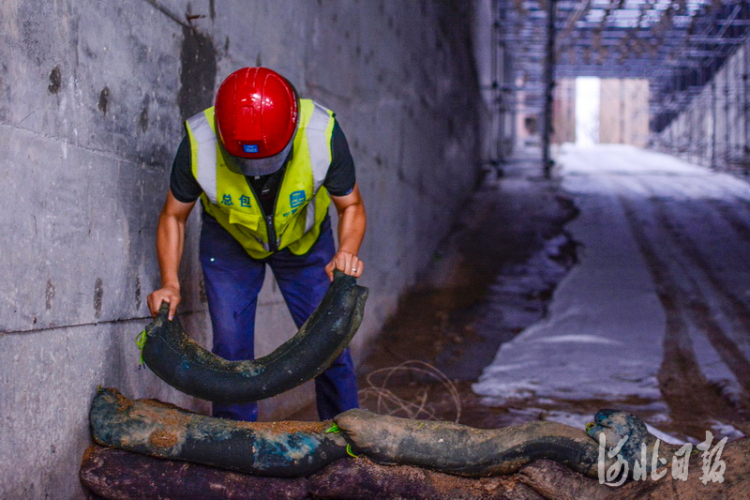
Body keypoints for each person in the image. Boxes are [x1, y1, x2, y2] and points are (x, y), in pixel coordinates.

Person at [147, 67, 366, 422]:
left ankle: (345, 438)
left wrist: (347, 250)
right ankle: (236, 445)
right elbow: (174, 215)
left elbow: (351, 205)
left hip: (305, 245)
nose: (257, 171)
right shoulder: (198, 141)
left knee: (330, 344)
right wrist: (170, 282)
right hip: (231, 243)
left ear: (292, 130)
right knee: (231, 353)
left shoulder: (320, 133)